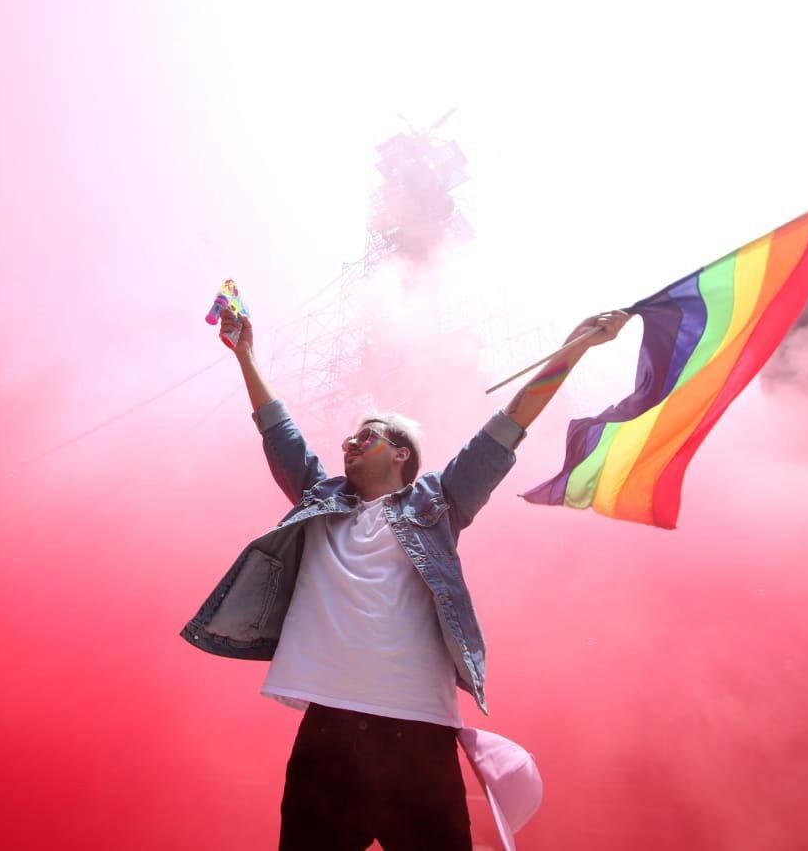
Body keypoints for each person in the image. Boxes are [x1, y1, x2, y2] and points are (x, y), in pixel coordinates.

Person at [181, 302, 630, 850]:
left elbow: (506, 428)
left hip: (416, 729)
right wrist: (245, 353)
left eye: (364, 436)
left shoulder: (441, 501)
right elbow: (279, 433)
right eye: (348, 439)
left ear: (400, 454)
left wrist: (575, 347)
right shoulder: (318, 498)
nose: (348, 443)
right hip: (329, 727)